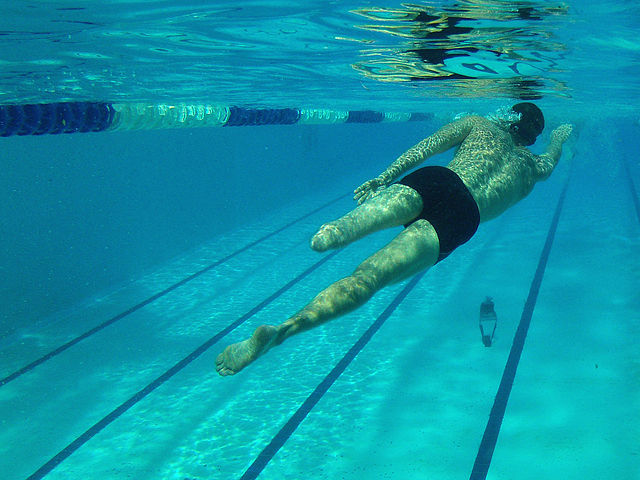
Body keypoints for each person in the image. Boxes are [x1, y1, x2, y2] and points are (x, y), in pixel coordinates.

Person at [216, 102, 572, 376]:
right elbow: (552, 158)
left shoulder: (479, 123)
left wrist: (383, 178)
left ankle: (330, 235)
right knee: (367, 279)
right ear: (530, 136)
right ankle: (284, 329)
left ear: (507, 117)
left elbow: (427, 147)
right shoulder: (531, 166)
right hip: (461, 216)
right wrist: (559, 138)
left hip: (435, 180)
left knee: (348, 228)